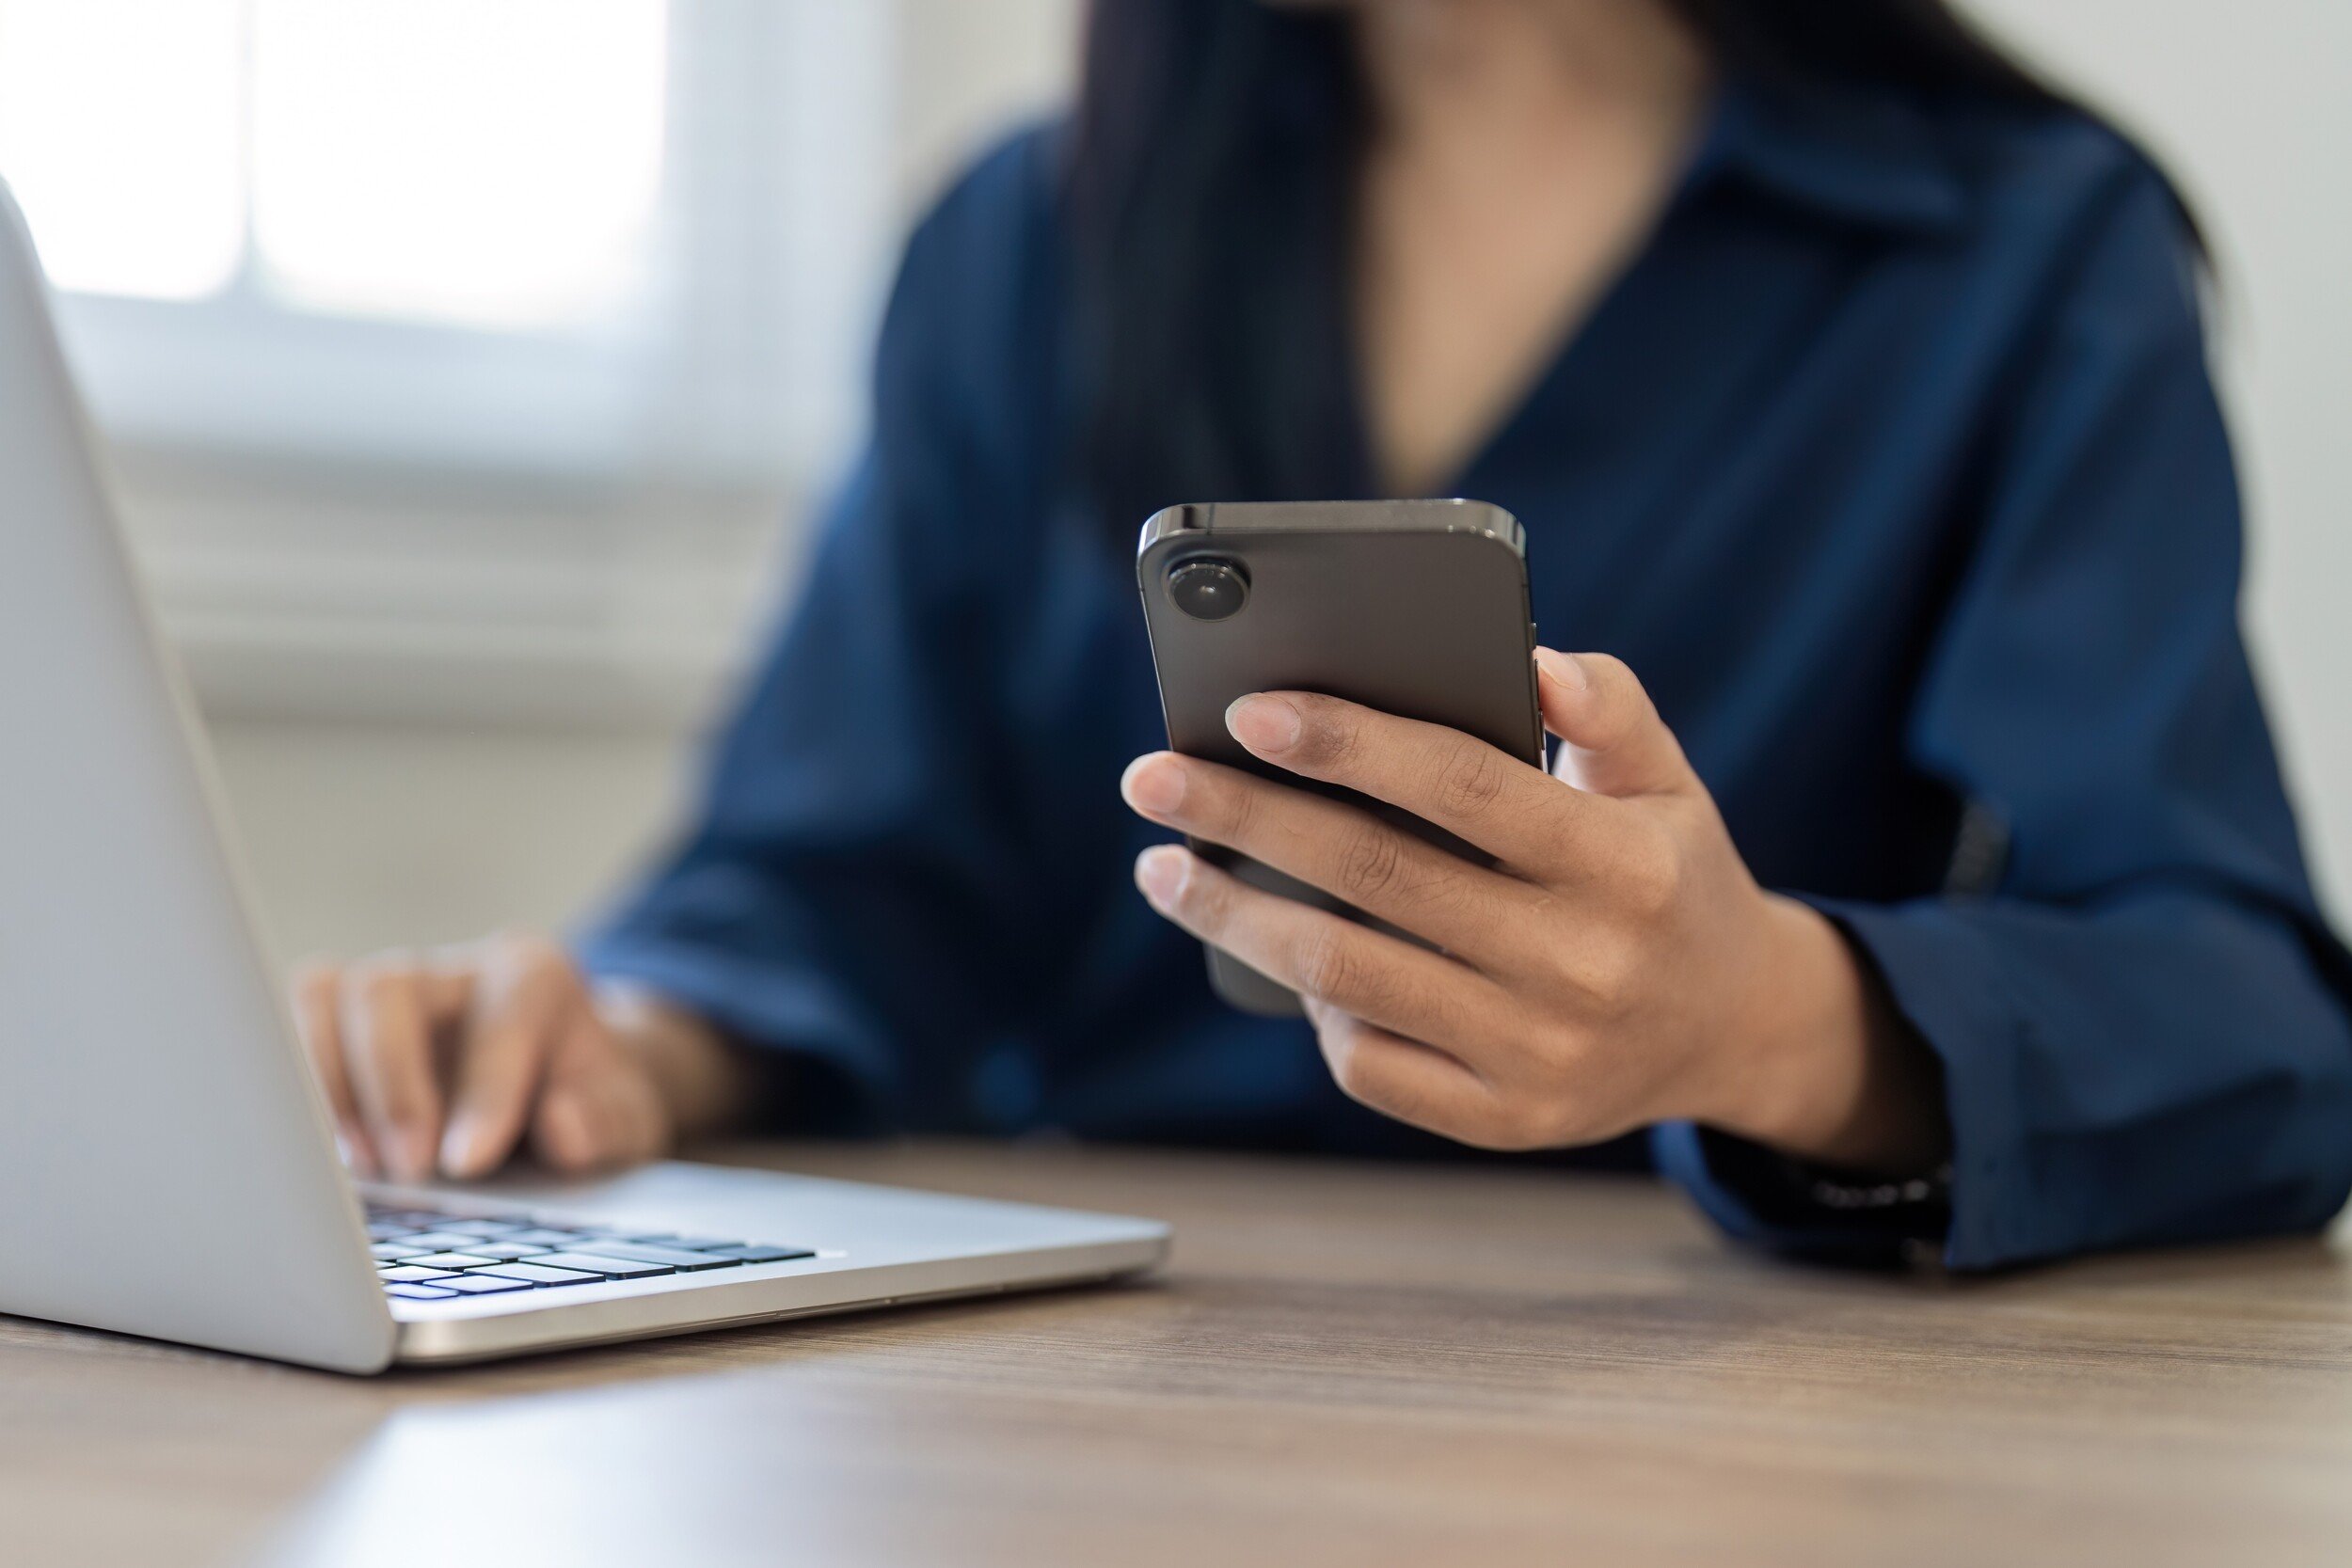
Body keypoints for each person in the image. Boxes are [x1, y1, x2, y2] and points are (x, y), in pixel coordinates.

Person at [292, 0, 2352, 1270]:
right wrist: (618, 1043)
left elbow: (2252, 1031)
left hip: (1694, 1401)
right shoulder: (1025, 242)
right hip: (1077, 1365)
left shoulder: (2023, 252)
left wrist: (1758, 1019)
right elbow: (833, 877)